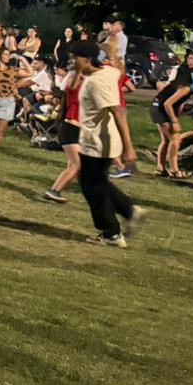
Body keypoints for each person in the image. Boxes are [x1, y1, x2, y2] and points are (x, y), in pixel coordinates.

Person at [71, 39, 145, 247]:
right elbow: (119, 71)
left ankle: (112, 233)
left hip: (99, 141)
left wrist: (129, 148)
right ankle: (129, 210)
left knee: (92, 187)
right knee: (94, 182)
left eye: (75, 58)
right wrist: (113, 53)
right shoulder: (107, 72)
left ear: (86, 59)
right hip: (96, 139)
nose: (73, 62)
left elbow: (118, 112)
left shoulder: (97, 82)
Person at [149, 49, 193, 178]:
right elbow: (168, 103)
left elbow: (180, 104)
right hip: (160, 107)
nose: (190, 60)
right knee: (174, 140)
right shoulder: (186, 87)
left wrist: (176, 117)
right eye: (189, 58)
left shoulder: (189, 82)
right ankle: (174, 171)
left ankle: (160, 169)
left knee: (166, 140)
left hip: (159, 106)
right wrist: (174, 121)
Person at [43, 64, 85, 203]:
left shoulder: (81, 84)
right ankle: (54, 190)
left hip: (76, 128)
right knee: (75, 164)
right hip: (71, 129)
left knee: (77, 165)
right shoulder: (75, 85)